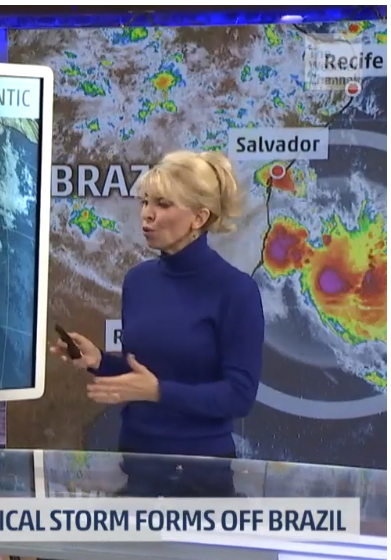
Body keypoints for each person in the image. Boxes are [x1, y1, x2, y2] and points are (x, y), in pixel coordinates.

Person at [51, 150, 265, 496]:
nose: (147, 214)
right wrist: (100, 361)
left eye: (163, 204)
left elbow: (238, 396)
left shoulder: (235, 291)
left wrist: (158, 392)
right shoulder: (139, 281)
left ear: (199, 217)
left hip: (199, 473)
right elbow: (144, 373)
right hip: (136, 460)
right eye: (145, 201)